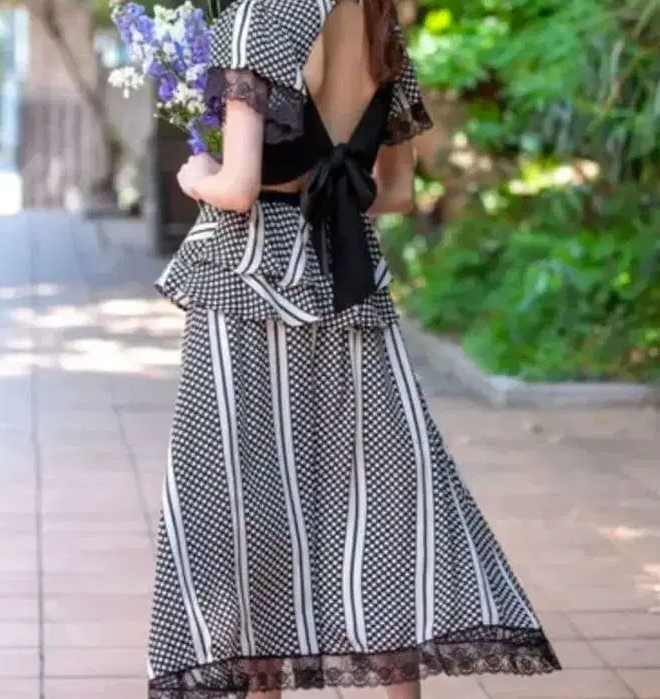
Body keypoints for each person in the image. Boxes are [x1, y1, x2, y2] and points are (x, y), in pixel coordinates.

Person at [147, 1, 561, 697]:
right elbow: (394, 193)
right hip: (347, 277)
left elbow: (238, 189)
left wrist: (196, 173)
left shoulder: (256, 20)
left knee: (247, 499)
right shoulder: (379, 28)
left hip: (247, 281)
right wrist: (327, 187)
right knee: (383, 494)